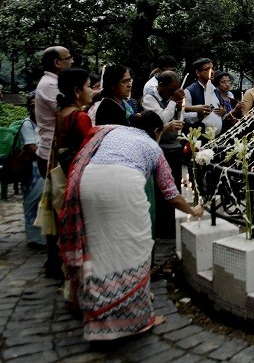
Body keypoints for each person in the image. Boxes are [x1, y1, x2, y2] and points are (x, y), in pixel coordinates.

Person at [60, 111, 203, 341]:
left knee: (98, 250)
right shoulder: (153, 147)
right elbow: (170, 193)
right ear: (157, 132)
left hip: (89, 183)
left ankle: (97, 318)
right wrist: (193, 210)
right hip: (123, 187)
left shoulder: (111, 131)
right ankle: (134, 320)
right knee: (135, 248)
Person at [141, 70, 185, 238]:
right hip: (160, 149)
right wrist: (173, 101)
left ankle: (172, 226)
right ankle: (162, 230)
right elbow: (162, 120)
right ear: (161, 86)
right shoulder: (150, 98)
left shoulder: (170, 99)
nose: (173, 93)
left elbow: (179, 120)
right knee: (162, 191)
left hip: (174, 147)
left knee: (175, 188)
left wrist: (179, 106)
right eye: (171, 89)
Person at [35, 46, 74, 176]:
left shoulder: (56, 83)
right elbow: (67, 112)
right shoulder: (49, 85)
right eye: (69, 58)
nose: (72, 61)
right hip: (51, 152)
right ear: (57, 62)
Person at [19, 93, 46, 249]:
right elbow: (31, 147)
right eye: (32, 105)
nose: (35, 108)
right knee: (31, 202)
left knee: (44, 203)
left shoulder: (48, 122)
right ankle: (33, 238)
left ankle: (43, 238)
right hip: (33, 168)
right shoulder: (27, 124)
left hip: (44, 164)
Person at [55, 68, 94, 174]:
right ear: (77, 91)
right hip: (76, 171)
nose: (91, 90)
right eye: (89, 86)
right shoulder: (80, 117)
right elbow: (89, 149)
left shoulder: (60, 113)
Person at [184, 58, 224, 134]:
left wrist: (223, 112)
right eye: (207, 69)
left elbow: (220, 109)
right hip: (199, 138)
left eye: (212, 69)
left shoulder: (216, 90)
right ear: (198, 73)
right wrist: (198, 114)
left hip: (216, 138)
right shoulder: (190, 91)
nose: (212, 72)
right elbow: (184, 117)